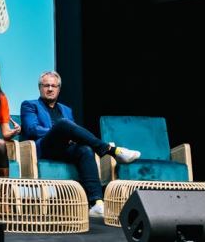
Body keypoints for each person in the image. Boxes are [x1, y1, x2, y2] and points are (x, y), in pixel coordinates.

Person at [20, 71, 141, 218]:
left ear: (59, 89)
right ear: (40, 88)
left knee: (85, 149)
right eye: (46, 85)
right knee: (64, 124)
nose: (50, 89)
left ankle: (96, 203)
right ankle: (112, 150)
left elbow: (75, 132)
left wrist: (68, 134)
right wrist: (60, 130)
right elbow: (32, 129)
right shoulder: (29, 105)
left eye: (54, 86)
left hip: (64, 149)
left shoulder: (66, 110)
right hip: (44, 148)